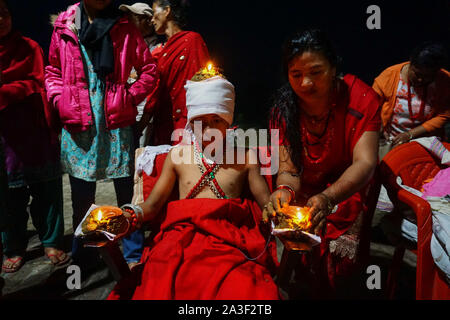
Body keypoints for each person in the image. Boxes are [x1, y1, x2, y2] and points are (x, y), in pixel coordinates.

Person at [108, 67, 279, 300]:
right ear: (191, 122)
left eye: (216, 120)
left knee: (243, 288)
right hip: (181, 239)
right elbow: (154, 204)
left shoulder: (246, 158)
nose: (208, 129)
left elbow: (266, 203)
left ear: (228, 121)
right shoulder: (177, 156)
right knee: (161, 279)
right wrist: (129, 214)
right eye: (200, 121)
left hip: (228, 243)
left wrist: (282, 208)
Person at [266, 29, 381, 297]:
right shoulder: (281, 110)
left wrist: (329, 197)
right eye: (296, 75)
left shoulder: (362, 99)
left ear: (334, 67)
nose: (306, 83)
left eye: (316, 72)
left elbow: (365, 162)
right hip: (305, 184)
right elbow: (288, 170)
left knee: (339, 268)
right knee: (293, 225)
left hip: (345, 187)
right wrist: (285, 190)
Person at [44, 0, 157, 269]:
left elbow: (149, 71)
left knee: (126, 192)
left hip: (116, 122)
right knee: (82, 195)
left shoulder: (125, 27)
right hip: (78, 119)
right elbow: (53, 72)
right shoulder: (64, 26)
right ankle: (85, 253)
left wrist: (128, 97)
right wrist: (60, 99)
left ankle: (132, 254)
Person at [0, 0, 68, 273]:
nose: (1, 20)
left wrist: (9, 92)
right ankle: (14, 248)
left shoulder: (29, 47)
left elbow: (41, 81)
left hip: (35, 130)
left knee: (47, 190)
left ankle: (51, 241)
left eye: (4, 13)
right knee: (8, 198)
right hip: (5, 141)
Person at [141, 0, 210, 146]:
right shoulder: (160, 51)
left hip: (187, 124)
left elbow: (204, 83)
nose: (152, 20)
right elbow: (155, 91)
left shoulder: (192, 40)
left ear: (167, 11)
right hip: (163, 125)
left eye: (154, 13)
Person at [373, 42, 449, 152]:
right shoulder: (389, 76)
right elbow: (372, 105)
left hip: (428, 141)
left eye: (428, 77)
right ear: (411, 63)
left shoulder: (445, 81)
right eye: (417, 74)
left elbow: (444, 115)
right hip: (391, 138)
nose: (420, 80)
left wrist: (410, 134)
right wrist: (378, 127)